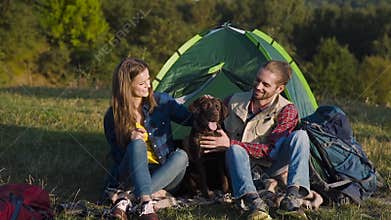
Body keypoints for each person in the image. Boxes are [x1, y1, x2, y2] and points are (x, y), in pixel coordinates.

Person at [200, 60, 311, 219]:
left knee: (301, 136)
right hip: (239, 165)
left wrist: (230, 143)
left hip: (271, 166)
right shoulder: (233, 100)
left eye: (265, 85)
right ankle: (253, 203)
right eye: (257, 80)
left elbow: (273, 152)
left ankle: (292, 198)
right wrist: (206, 106)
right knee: (235, 150)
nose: (258, 87)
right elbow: (211, 122)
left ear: (279, 89)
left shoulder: (287, 110)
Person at [103, 58, 192, 220]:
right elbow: (117, 158)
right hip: (132, 173)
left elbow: (191, 119)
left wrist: (208, 107)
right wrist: (128, 137)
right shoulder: (113, 116)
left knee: (181, 156)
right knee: (137, 142)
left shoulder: (162, 101)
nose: (149, 86)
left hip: (164, 171)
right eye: (142, 84)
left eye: (148, 80)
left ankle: (126, 199)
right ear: (127, 85)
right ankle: (145, 203)